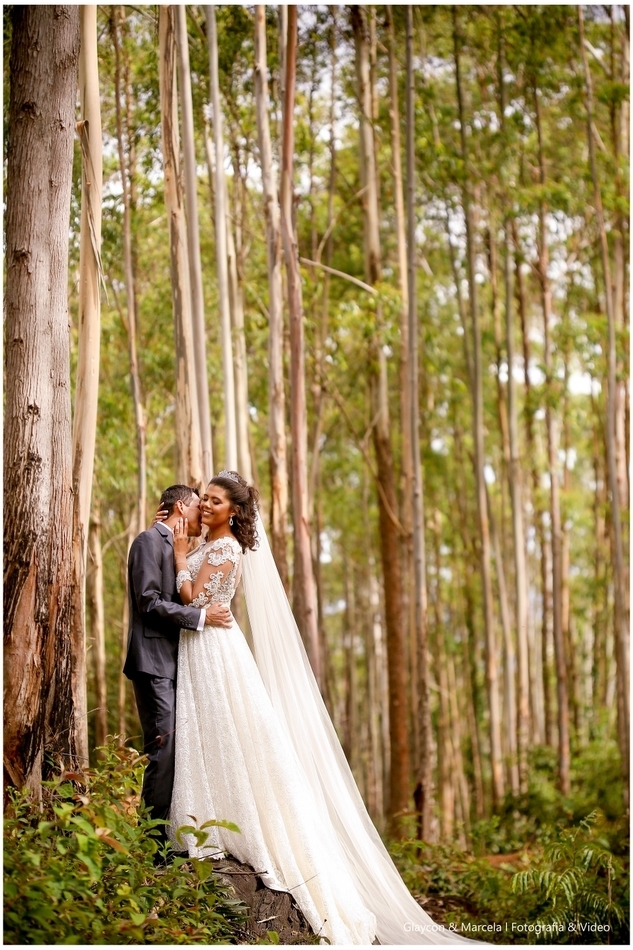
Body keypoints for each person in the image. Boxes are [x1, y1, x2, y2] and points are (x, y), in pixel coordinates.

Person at [163, 470, 476, 945]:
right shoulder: (210, 543)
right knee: (208, 731)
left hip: (214, 650)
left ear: (234, 512)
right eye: (203, 497)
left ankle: (235, 830)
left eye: (215, 501)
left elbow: (194, 600)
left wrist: (181, 554)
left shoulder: (225, 549)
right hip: (199, 648)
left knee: (228, 731)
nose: (205, 505)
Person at [123, 484, 232, 862]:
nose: (203, 512)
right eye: (197, 505)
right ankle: (150, 848)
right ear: (181, 506)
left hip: (177, 662)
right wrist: (201, 616)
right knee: (163, 751)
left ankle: (170, 838)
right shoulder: (147, 542)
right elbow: (149, 602)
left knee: (178, 750)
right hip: (153, 660)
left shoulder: (179, 545)